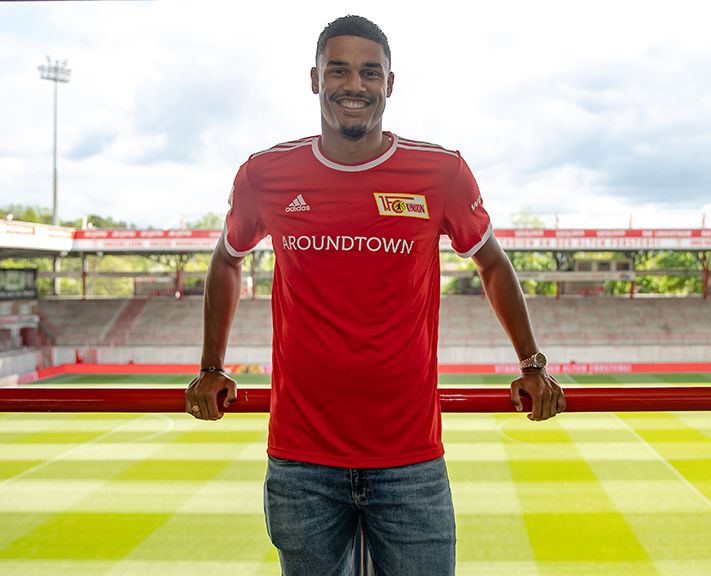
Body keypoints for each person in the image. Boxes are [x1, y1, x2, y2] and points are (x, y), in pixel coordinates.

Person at [184, 14, 566, 576]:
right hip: (301, 460)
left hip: (409, 461)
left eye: (369, 72)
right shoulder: (265, 174)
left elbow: (491, 262)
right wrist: (211, 366)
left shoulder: (440, 172)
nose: (354, 86)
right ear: (314, 79)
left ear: (390, 84)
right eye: (338, 70)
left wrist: (532, 363)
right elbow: (226, 259)